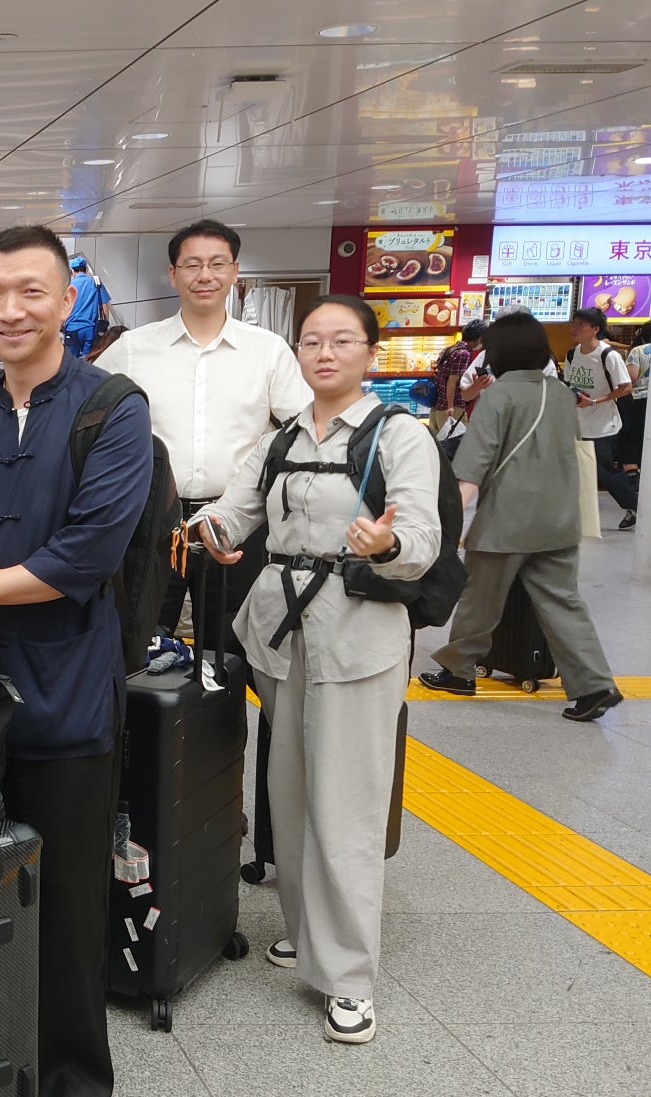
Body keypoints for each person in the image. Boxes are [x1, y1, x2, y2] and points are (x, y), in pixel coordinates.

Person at [0, 226, 154, 1096]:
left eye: (30, 291)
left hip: (69, 691)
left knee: (64, 906)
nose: (9, 309)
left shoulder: (112, 408)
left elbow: (85, 554)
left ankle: (71, 1077)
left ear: (66, 301)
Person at [190, 294, 441, 1046]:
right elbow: (234, 514)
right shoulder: (281, 439)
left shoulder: (399, 435)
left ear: (370, 352)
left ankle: (349, 976)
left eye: (342, 341)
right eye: (310, 341)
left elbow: (421, 535)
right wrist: (208, 532)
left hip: (358, 631)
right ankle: (307, 933)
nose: (324, 353)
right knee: (288, 791)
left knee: (348, 805)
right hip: (282, 629)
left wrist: (384, 546)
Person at [104, 220, 310, 655]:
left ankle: (225, 722)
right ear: (172, 273)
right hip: (153, 522)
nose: (205, 276)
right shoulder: (133, 349)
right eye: (192, 265)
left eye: (217, 264)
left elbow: (304, 430)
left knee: (234, 647)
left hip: (238, 522)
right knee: (141, 641)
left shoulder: (267, 351)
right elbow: (86, 415)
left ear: (235, 272)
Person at [420, 311, 624, 722]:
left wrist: (443, 524)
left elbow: (472, 468)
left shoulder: (498, 395)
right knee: (562, 601)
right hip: (560, 520)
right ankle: (594, 685)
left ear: (497, 354)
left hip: (506, 522)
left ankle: (460, 669)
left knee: (480, 597)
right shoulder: (561, 393)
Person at [564, 307, 638, 531]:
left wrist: (595, 401)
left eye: (581, 325)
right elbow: (570, 384)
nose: (574, 328)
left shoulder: (608, 355)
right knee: (576, 468)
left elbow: (625, 387)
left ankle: (634, 505)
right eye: (574, 323)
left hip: (603, 424)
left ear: (595, 329)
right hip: (578, 423)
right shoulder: (571, 354)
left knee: (604, 470)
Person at [429, 319, 486, 432]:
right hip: (452, 407)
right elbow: (452, 382)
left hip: (438, 405)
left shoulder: (450, 349)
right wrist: (450, 406)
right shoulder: (463, 353)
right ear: (479, 338)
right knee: (455, 444)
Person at [615, 322, 651, 474]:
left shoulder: (638, 351)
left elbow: (631, 376)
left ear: (643, 337)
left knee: (630, 433)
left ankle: (631, 471)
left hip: (638, 398)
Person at [63, 254, 111, 358]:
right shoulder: (95, 282)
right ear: (86, 269)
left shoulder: (69, 285)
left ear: (72, 270)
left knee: (70, 361)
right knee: (88, 359)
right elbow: (104, 304)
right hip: (91, 329)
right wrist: (105, 324)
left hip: (73, 328)